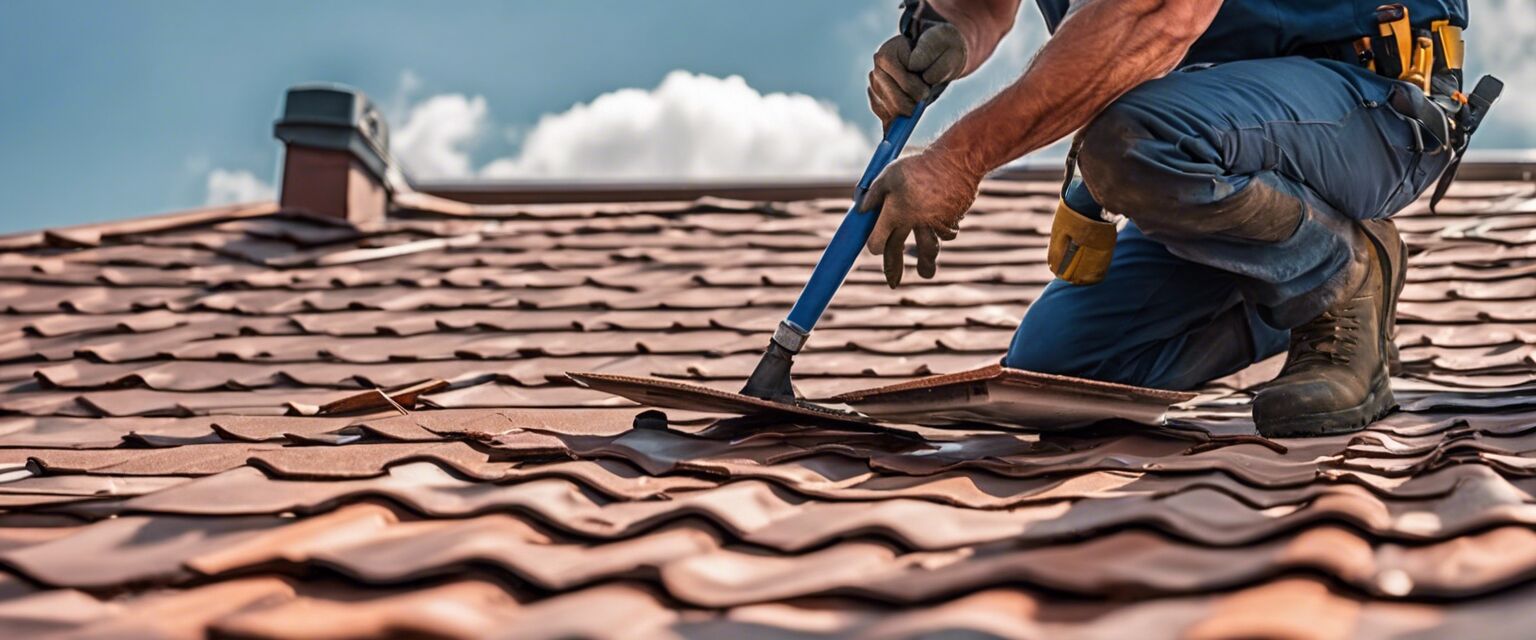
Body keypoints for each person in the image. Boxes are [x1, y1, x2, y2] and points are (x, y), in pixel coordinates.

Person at [863, 0, 1478, 437]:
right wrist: (948, 33)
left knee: (1131, 140)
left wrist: (957, 160)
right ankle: (1290, 265)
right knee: (1058, 375)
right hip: (1218, 136)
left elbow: (1157, 14)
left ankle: (1336, 277)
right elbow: (980, 6)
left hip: (1367, 105)